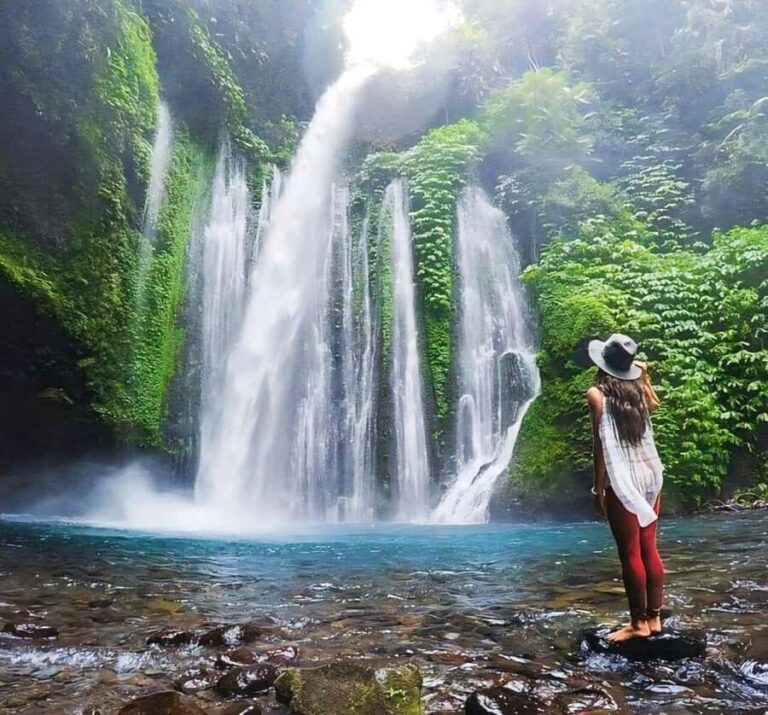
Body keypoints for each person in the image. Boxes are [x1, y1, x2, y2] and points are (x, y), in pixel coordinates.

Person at [586, 333, 664, 642]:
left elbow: (599, 445)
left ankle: (637, 624)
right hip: (651, 476)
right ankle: (654, 618)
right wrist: (643, 375)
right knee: (649, 547)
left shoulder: (596, 394)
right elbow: (654, 403)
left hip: (623, 480)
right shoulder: (637, 393)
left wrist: (598, 488)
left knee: (629, 552)